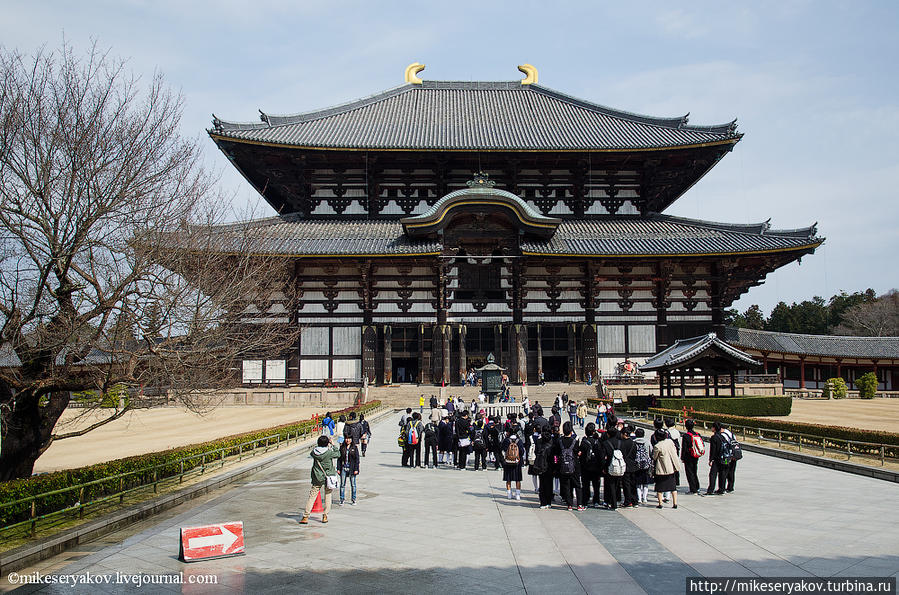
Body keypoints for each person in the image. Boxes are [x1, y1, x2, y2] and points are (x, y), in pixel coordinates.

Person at [300, 435, 339, 525]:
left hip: (317, 477)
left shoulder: (314, 452)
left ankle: (306, 516)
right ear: (327, 443)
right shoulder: (329, 452)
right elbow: (338, 454)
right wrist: (333, 445)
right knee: (328, 496)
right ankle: (325, 515)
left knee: (312, 496)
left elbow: (312, 452)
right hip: (328, 476)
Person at [553, 421, 579, 510]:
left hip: (563, 465)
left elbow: (556, 453)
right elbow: (577, 452)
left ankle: (569, 504)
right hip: (574, 465)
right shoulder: (575, 441)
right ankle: (579, 504)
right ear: (571, 431)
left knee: (566, 485)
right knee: (577, 485)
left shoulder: (559, 441)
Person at [651, 429, 680, 509]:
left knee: (660, 487)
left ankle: (660, 503)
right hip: (671, 468)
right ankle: (675, 503)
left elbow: (654, 457)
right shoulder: (670, 442)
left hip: (662, 469)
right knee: (673, 487)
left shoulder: (657, 446)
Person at [579, 423, 602, 509]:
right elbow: (600, 455)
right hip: (596, 467)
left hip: (586, 467)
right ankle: (596, 500)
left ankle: (585, 500)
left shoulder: (584, 442)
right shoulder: (597, 442)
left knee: (585, 485)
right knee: (596, 484)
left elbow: (581, 455)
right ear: (593, 432)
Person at [601, 427, 625, 510]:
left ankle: (612, 503)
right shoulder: (620, 443)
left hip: (610, 466)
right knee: (616, 485)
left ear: (608, 434)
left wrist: (604, 467)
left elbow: (603, 457)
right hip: (619, 466)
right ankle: (616, 501)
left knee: (610, 485)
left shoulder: (605, 443)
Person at [501, 425, 524, 500]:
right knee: (518, 479)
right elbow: (522, 451)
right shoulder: (519, 441)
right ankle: (518, 494)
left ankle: (509, 494)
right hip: (517, 462)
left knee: (508, 479)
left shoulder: (506, 440)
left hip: (508, 461)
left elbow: (503, 449)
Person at [619, 425, 639, 507]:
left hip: (625, 465)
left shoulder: (621, 443)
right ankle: (635, 500)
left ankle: (628, 501)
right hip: (633, 465)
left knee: (626, 484)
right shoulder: (633, 443)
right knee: (633, 484)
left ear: (624, 434)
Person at [681, 419, 703, 494]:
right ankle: (697, 486)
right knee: (694, 471)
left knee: (689, 473)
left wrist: (682, 457)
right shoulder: (697, 434)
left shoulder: (686, 436)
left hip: (688, 456)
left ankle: (693, 489)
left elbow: (684, 448)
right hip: (696, 455)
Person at [706, 422, 727, 495]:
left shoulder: (714, 437)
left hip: (717, 459)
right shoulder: (722, 437)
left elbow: (713, 450)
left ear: (714, 428)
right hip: (724, 458)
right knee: (722, 473)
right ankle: (722, 489)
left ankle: (710, 490)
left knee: (712, 474)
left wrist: (711, 459)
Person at [338, 436, 360, 505]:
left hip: (352, 468)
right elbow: (339, 459)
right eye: (346, 438)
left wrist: (356, 469)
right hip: (343, 467)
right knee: (342, 485)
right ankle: (342, 499)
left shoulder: (354, 448)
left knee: (353, 484)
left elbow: (357, 459)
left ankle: (353, 499)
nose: (347, 440)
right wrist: (338, 468)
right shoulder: (342, 447)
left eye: (349, 439)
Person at [633, 428, 652, 504]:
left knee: (638, 483)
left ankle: (639, 498)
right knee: (645, 483)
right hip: (645, 465)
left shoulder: (633, 442)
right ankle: (644, 498)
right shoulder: (647, 442)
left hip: (636, 464)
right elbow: (651, 452)